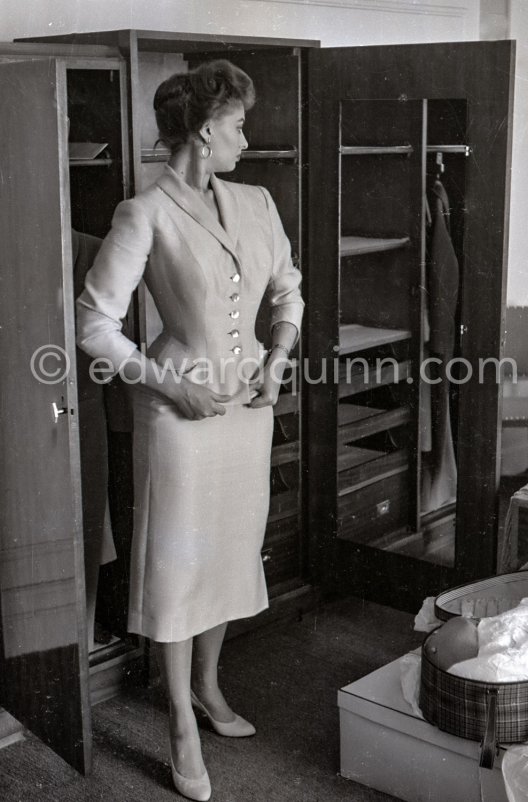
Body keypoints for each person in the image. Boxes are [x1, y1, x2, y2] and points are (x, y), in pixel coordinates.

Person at [76, 60, 304, 801]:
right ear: (206, 131)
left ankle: (207, 685)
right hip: (176, 416)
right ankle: (177, 718)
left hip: (246, 413)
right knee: (178, 566)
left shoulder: (257, 200)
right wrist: (167, 380)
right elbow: (92, 326)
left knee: (231, 554)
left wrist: (278, 358)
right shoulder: (144, 214)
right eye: (239, 124)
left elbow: (288, 288)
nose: (248, 136)